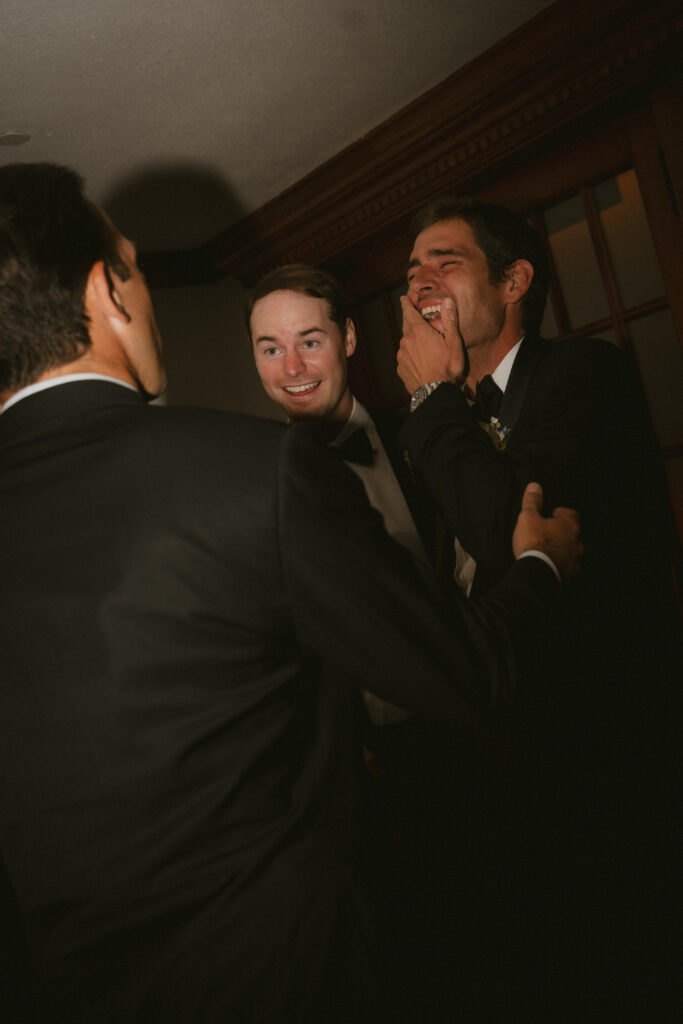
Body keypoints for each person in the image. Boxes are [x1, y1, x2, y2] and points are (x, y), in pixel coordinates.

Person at [0, 164, 582, 1024]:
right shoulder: (253, 475)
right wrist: (541, 565)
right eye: (139, 267)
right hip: (290, 975)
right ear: (106, 293)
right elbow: (466, 669)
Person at [396, 195, 681, 1017]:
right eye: (410, 269)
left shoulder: (582, 377)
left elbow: (505, 531)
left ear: (514, 280)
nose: (418, 283)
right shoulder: (426, 422)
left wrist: (430, 406)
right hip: (484, 762)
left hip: (596, 755)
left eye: (443, 262)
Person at [248, 263, 435, 726]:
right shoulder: (249, 486)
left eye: (310, 343)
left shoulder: (424, 441)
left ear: (348, 339)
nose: (292, 368)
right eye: (272, 349)